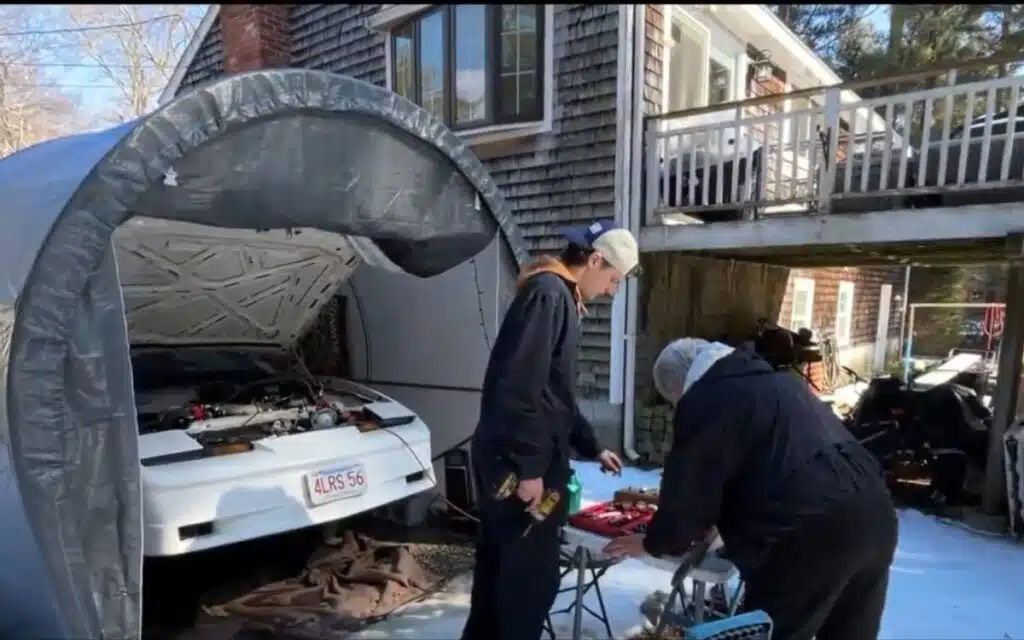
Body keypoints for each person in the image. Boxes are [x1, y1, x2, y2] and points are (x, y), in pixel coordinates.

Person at [604, 338, 898, 640]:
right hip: (875, 511)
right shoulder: (775, 381)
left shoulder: (707, 399)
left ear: (680, 387)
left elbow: (689, 492)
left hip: (810, 530)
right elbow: (772, 461)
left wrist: (655, 541)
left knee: (773, 633)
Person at [462, 221, 639, 640]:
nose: (612, 290)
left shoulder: (559, 297)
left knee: (502, 577)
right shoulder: (549, 295)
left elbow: (552, 393)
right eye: (613, 279)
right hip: (516, 469)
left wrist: (592, 446)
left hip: (521, 461)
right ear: (595, 260)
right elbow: (517, 386)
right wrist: (527, 469)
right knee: (526, 585)